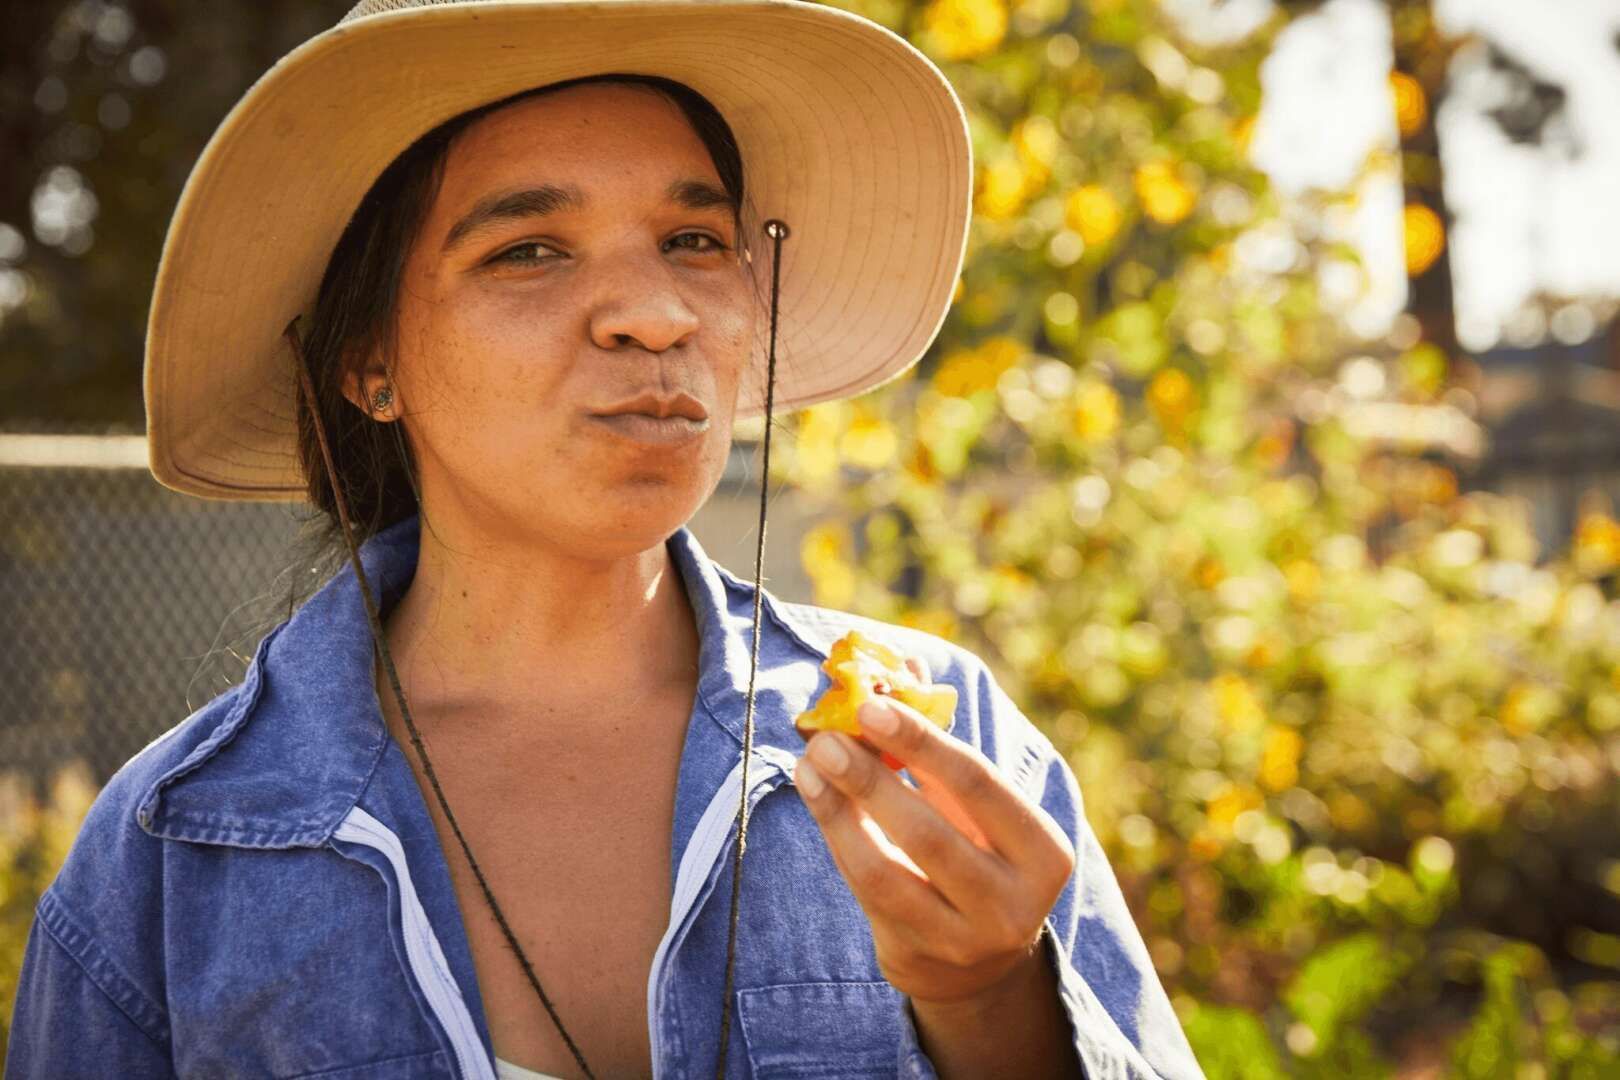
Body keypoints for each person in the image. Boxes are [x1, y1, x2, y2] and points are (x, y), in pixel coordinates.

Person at [5, 1, 1203, 1078]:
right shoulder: (172, 852)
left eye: (694, 240)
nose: (656, 312)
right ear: (368, 362)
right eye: (528, 250)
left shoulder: (943, 743)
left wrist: (991, 1000)